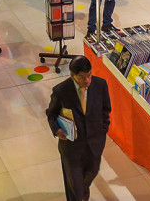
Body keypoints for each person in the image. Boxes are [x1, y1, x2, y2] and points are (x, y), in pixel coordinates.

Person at [45, 55, 112, 201]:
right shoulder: (61, 91)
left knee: (91, 174)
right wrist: (56, 129)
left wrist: (102, 130)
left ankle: (82, 195)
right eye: (82, 77)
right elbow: (51, 114)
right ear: (72, 75)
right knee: (75, 187)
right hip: (71, 147)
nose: (87, 81)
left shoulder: (101, 85)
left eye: (89, 75)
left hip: (94, 145)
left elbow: (106, 110)